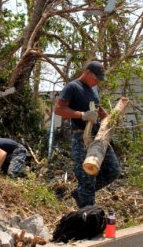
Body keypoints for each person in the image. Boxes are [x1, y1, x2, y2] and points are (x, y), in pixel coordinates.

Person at [54, 61, 121, 208]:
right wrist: (82, 115)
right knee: (87, 178)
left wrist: (108, 117)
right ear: (88, 73)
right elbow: (59, 109)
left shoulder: (94, 88)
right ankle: (87, 215)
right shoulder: (72, 87)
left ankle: (81, 193)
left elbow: (96, 106)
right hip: (81, 138)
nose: (97, 81)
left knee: (113, 170)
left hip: (98, 136)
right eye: (96, 78)